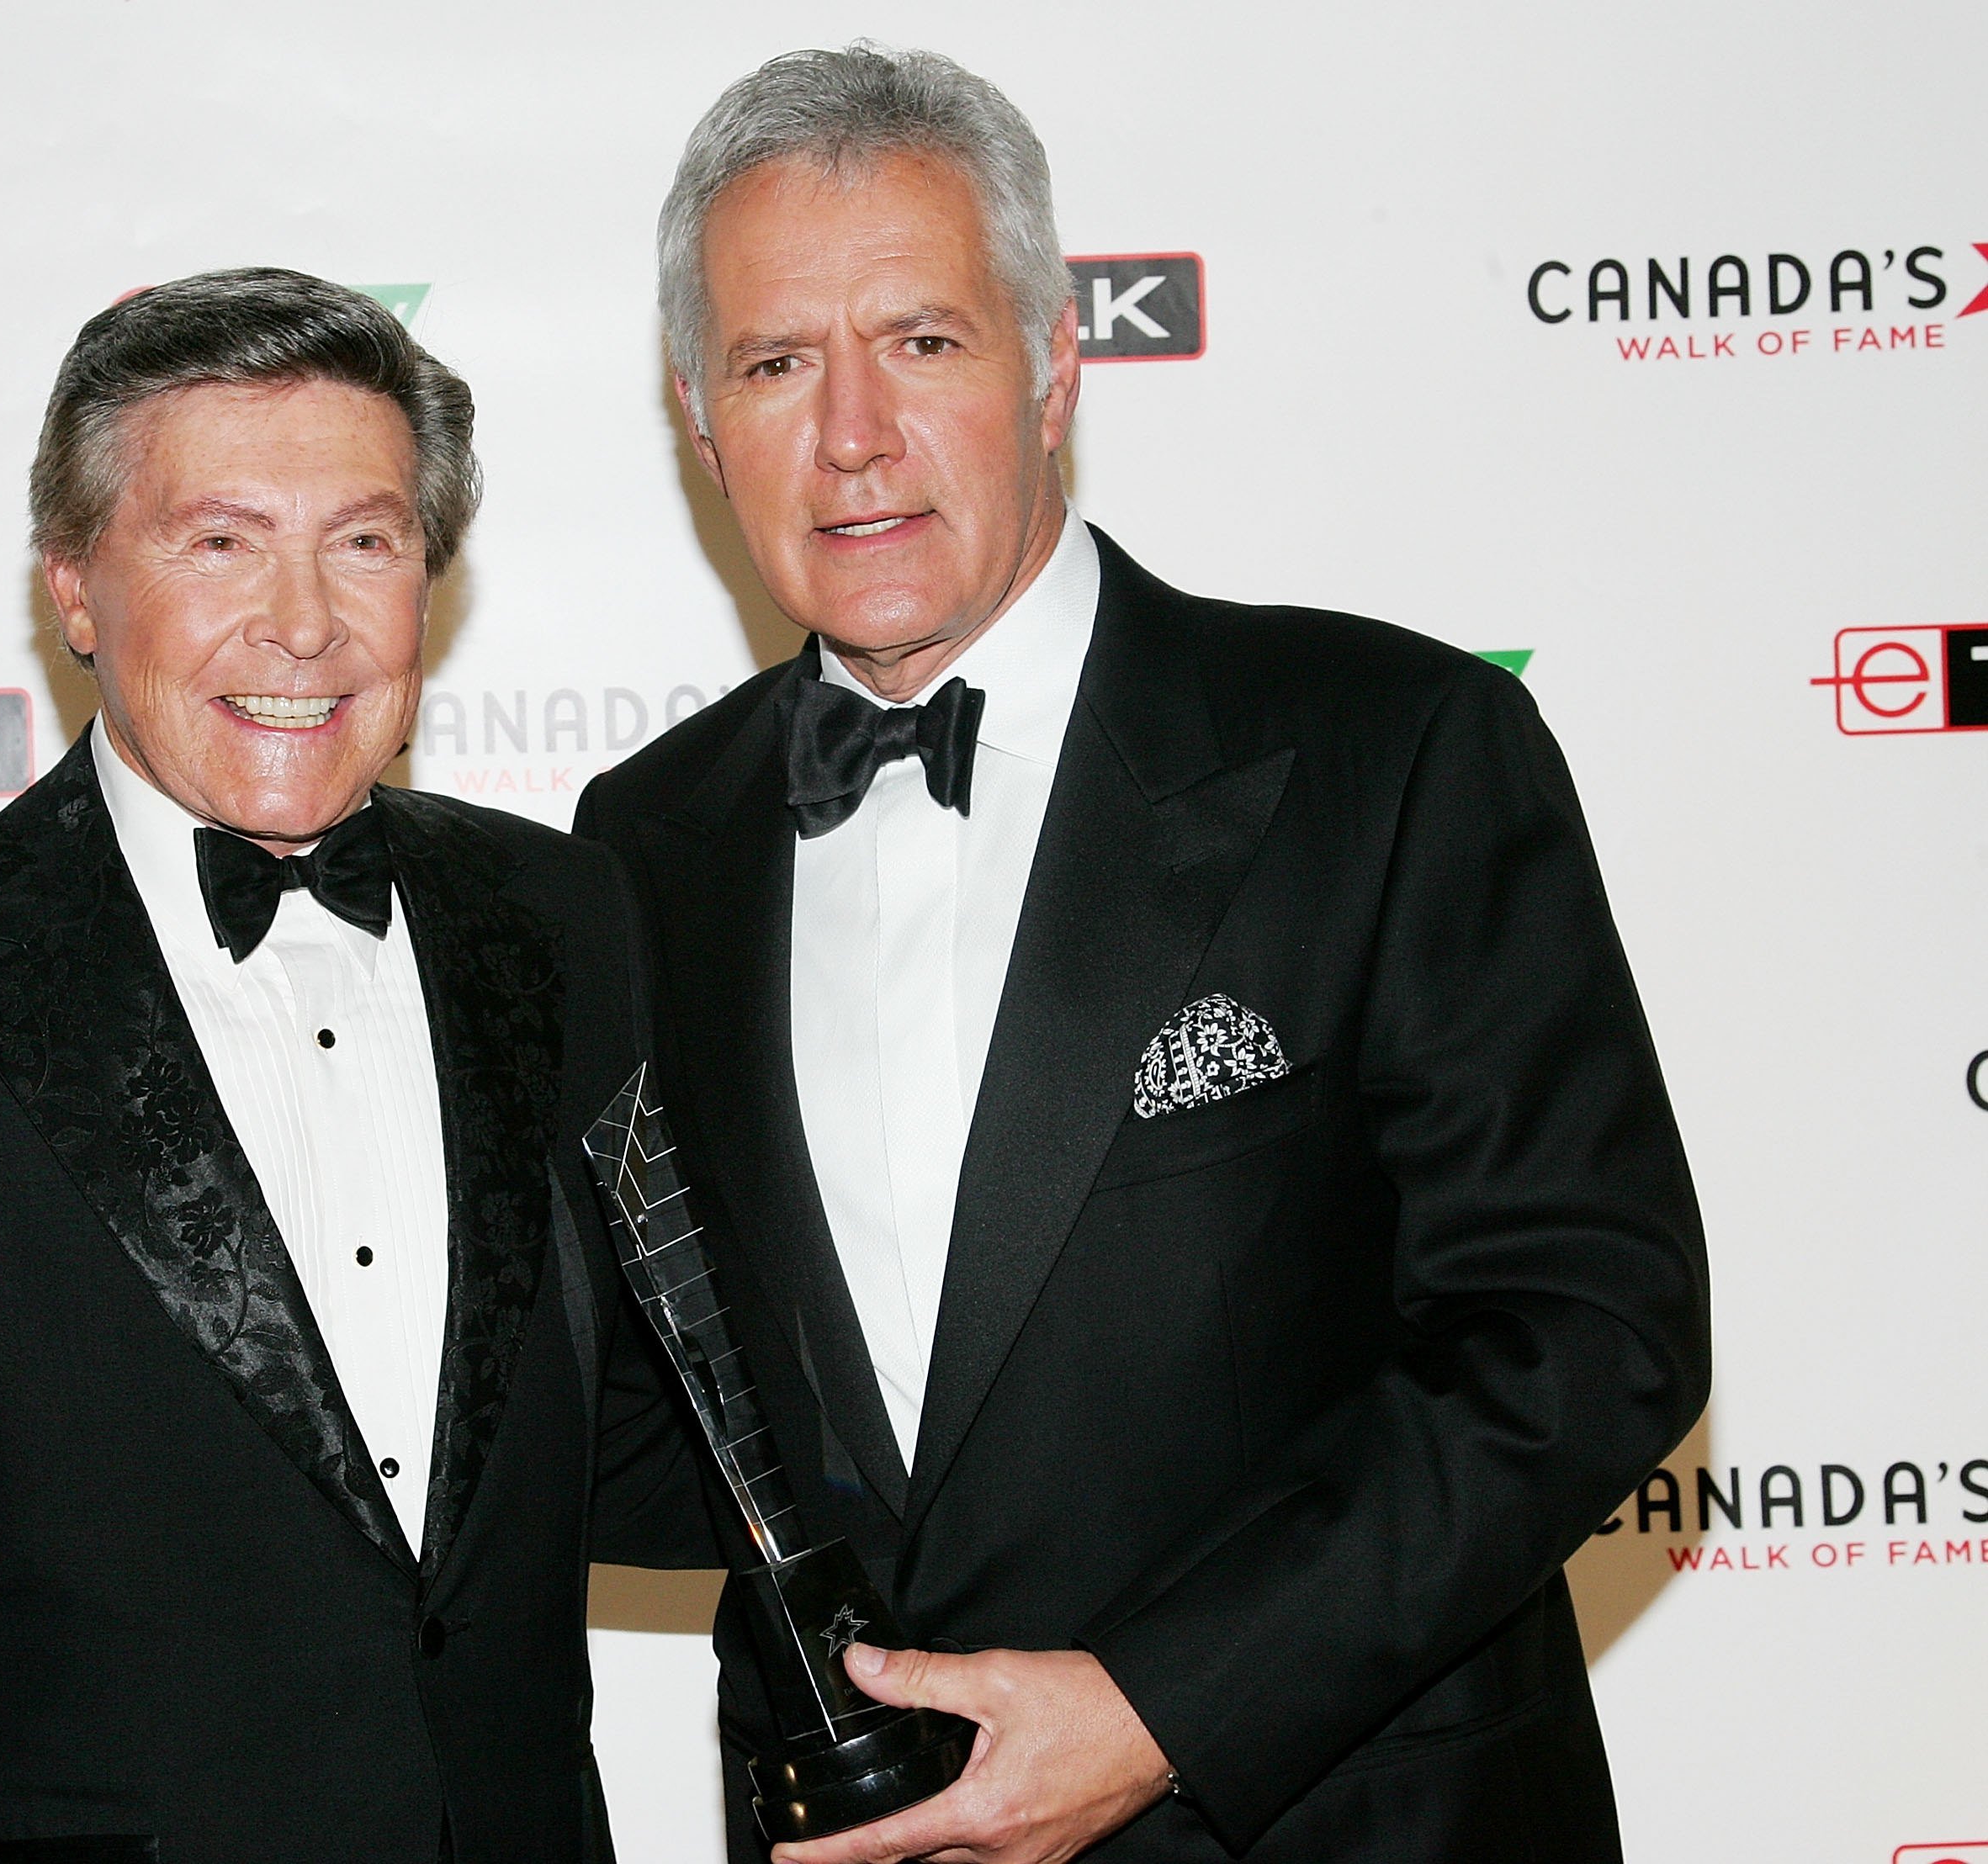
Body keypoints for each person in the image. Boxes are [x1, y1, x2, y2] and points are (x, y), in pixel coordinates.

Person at [575, 45, 1711, 1864]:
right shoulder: (647, 841)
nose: (851, 432)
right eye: (779, 362)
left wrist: (1167, 1703)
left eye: (924, 341)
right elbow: (668, 1406)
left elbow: (1583, 1335)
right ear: (701, 418)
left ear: (1051, 364)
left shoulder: (1389, 750)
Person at [0, 267, 704, 1864]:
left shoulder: (560, 918)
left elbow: (643, 1436)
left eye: (365, 541)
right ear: (74, 586)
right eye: (219, 542)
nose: (303, 621)